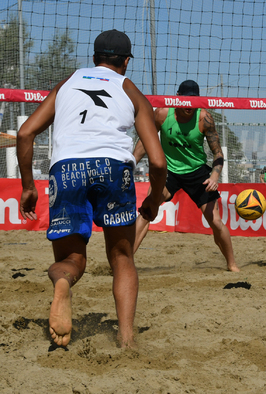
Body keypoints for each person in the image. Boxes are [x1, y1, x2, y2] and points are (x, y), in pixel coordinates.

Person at [17, 29, 167, 348]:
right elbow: (157, 162)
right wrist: (154, 200)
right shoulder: (128, 89)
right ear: (126, 62)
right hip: (113, 167)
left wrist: (28, 186)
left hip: (66, 168)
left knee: (73, 260)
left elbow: (25, 134)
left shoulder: (68, 83)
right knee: (122, 257)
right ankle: (126, 339)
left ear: (94, 58)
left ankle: (62, 282)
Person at [133, 80, 240, 272]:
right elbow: (144, 141)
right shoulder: (162, 114)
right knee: (148, 209)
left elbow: (218, 154)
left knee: (214, 221)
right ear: (177, 98)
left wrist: (215, 177)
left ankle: (231, 264)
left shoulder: (204, 118)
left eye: (193, 102)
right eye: (185, 101)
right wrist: (132, 161)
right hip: (170, 172)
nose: (189, 106)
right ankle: (125, 260)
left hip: (198, 173)